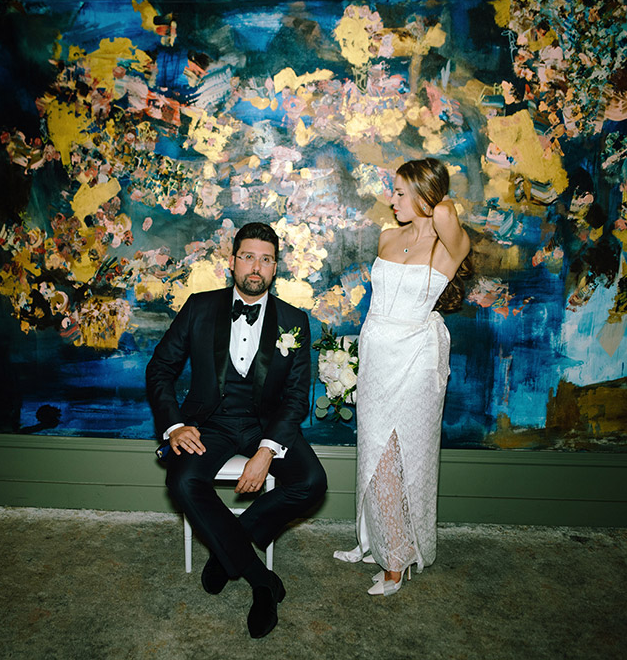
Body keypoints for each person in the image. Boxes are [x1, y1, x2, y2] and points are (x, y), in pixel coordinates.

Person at [146, 222, 327, 638]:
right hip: (211, 423)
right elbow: (160, 369)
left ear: (276, 267)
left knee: (312, 481)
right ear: (232, 262)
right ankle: (262, 581)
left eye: (266, 259)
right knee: (184, 479)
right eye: (248, 256)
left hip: (266, 424)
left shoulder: (294, 320)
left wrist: (266, 451)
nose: (256, 267)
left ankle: (229, 547)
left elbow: (298, 396)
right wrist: (174, 426)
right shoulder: (199, 306)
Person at [334, 157, 472, 595]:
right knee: (373, 448)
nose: (391, 200)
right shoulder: (387, 237)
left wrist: (430, 190)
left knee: (400, 452)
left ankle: (396, 562)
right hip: (377, 356)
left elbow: (446, 212)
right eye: (392, 191)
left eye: (400, 192)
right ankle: (377, 541)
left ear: (425, 196)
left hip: (415, 360)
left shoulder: (449, 246)